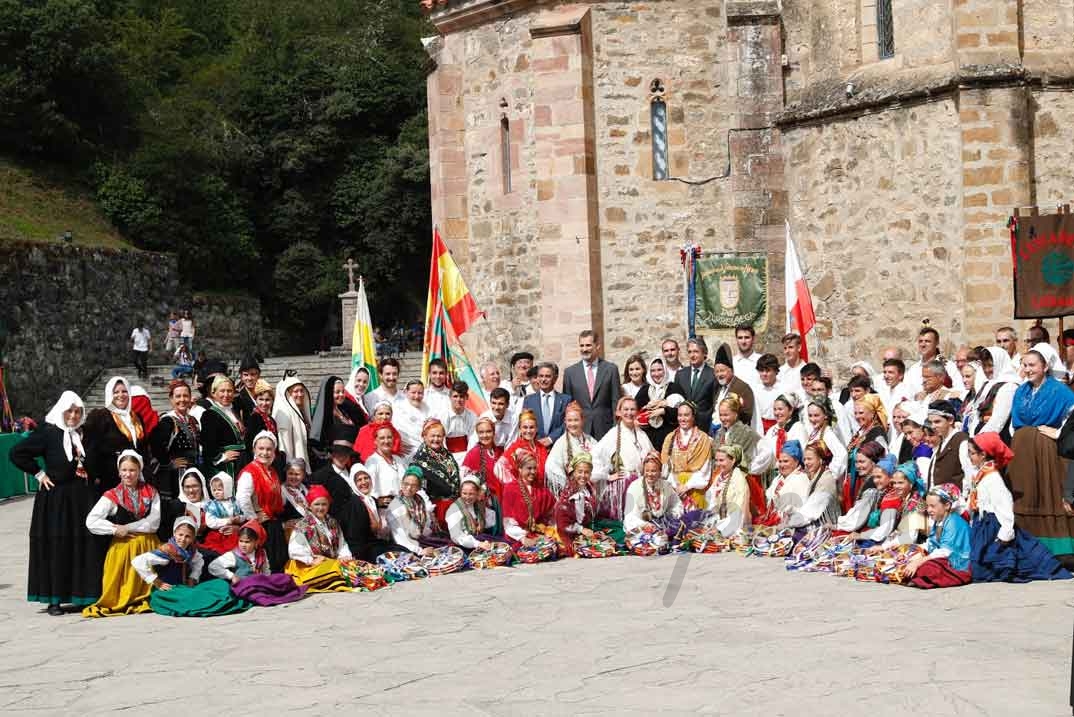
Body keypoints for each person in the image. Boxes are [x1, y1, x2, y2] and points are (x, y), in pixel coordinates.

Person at [10, 391, 102, 615]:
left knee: (82, 546)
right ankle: (55, 599)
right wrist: (39, 474)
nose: (73, 415)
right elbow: (17, 453)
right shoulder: (49, 432)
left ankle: (81, 595)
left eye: (78, 411)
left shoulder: (85, 434)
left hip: (82, 498)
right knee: (58, 545)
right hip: (57, 500)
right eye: (69, 411)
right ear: (61, 411)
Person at [967, 432, 1072, 582]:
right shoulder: (982, 475)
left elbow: (1005, 506)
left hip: (993, 525)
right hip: (983, 524)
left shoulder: (993, 478)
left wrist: (1004, 534)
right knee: (980, 564)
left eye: (972, 453)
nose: (969, 457)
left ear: (983, 454)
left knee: (994, 565)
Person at [82, 451, 161, 617]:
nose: (128, 474)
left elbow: (154, 522)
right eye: (124, 470)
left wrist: (128, 527)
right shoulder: (112, 495)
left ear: (139, 471)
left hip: (148, 544)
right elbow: (91, 521)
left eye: (132, 470)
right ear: (119, 472)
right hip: (124, 550)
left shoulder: (151, 492)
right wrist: (114, 529)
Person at [134, 516, 251, 617]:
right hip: (169, 591)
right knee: (194, 596)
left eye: (187, 536)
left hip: (185, 586)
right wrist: (156, 581)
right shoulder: (168, 551)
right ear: (174, 533)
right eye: (180, 535)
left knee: (221, 584)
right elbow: (138, 561)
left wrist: (193, 578)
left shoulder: (192, 551)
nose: (183, 539)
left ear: (193, 538)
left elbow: (198, 563)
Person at [208, 520, 309, 606]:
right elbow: (213, 566)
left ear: (256, 542)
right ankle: (266, 597)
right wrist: (231, 576)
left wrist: (269, 581)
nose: (243, 545)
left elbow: (266, 570)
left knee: (284, 577)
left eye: (247, 542)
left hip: (261, 583)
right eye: (241, 541)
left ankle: (270, 592)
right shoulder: (233, 555)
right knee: (253, 593)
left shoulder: (261, 553)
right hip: (246, 586)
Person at [592, 396, 654, 522]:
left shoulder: (641, 434)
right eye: (625, 409)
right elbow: (595, 455)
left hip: (641, 483)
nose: (629, 413)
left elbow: (651, 455)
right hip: (624, 485)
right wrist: (607, 476)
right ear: (618, 412)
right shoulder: (613, 434)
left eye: (632, 409)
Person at [285, 485, 356, 593]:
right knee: (337, 569)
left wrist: (345, 556)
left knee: (352, 566)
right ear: (309, 506)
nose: (321, 508)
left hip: (331, 563)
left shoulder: (333, 522)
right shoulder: (303, 526)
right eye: (317, 504)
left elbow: (342, 544)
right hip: (310, 566)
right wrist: (311, 560)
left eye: (324, 504)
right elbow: (295, 550)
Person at [235, 431, 288, 571]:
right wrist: (253, 518)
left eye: (269, 449)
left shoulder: (272, 471)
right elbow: (242, 498)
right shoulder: (249, 472)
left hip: (272, 523)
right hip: (261, 526)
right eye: (261, 448)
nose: (265, 452)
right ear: (254, 450)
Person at [84, 377, 145, 495]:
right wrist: (95, 476)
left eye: (124, 391)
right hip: (109, 478)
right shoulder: (99, 416)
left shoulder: (136, 417)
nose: (120, 395)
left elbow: (142, 446)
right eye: (116, 392)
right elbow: (90, 449)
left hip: (134, 476)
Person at [904, 483, 973, 589]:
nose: (929, 510)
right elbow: (932, 543)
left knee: (929, 568)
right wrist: (914, 549)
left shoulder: (954, 522)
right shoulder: (939, 521)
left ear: (947, 505)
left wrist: (918, 562)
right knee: (907, 556)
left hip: (957, 564)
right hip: (942, 557)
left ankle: (921, 577)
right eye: (927, 506)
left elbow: (945, 551)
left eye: (932, 506)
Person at [561, 330, 620, 439]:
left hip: (605, 429)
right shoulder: (570, 373)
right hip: (580, 429)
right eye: (582, 345)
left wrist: (616, 428)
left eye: (588, 345)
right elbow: (568, 406)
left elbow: (615, 402)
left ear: (597, 346)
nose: (584, 349)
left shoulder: (611, 369)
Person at [146, 380, 199, 500]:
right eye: (178, 396)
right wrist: (168, 463)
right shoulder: (167, 421)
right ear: (171, 399)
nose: (182, 399)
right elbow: (155, 445)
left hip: (192, 469)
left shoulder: (192, 420)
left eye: (185, 396)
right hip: (175, 474)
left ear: (190, 398)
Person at [499, 448, 558, 556]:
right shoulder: (510, 489)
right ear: (520, 469)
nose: (533, 472)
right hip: (517, 536)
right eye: (529, 468)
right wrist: (523, 538)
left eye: (535, 468)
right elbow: (508, 523)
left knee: (554, 547)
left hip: (537, 532)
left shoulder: (541, 489)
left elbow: (553, 513)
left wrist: (550, 531)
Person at [408, 418, 462, 526]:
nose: (436, 439)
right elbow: (418, 490)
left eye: (439, 436)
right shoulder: (419, 459)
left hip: (454, 503)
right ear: (424, 436)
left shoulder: (446, 454)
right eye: (432, 436)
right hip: (436, 508)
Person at [660, 403, 714, 510]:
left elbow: (705, 469)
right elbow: (667, 468)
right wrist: (677, 486)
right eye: (680, 415)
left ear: (693, 417)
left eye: (686, 415)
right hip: (674, 488)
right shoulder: (670, 438)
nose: (682, 419)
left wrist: (687, 486)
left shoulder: (703, 439)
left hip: (695, 489)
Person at [555, 453, 609, 556]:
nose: (583, 476)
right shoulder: (569, 494)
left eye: (587, 472)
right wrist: (581, 529)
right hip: (571, 535)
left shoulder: (588, 487)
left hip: (587, 527)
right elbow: (562, 523)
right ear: (574, 472)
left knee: (618, 529)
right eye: (580, 472)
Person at [842, 395, 888, 510]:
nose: (857, 416)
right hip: (855, 479)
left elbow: (883, 460)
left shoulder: (877, 433)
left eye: (861, 413)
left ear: (872, 414)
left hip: (868, 483)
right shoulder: (861, 432)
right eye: (856, 413)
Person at [623, 451, 685, 538]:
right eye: (647, 471)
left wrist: (671, 516)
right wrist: (646, 525)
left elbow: (677, 504)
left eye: (653, 471)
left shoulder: (666, 485)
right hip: (642, 528)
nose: (649, 474)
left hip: (663, 525)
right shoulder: (633, 487)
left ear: (660, 471)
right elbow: (630, 517)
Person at [783, 441, 841, 530]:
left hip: (826, 528)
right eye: (805, 459)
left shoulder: (826, 481)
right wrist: (790, 511)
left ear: (820, 460)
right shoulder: (818, 476)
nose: (806, 462)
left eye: (809, 459)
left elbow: (809, 513)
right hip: (816, 524)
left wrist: (787, 524)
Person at [199, 375, 247, 480]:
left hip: (241, 462)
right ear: (214, 393)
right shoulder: (210, 414)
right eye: (222, 391)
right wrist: (221, 457)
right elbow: (207, 443)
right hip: (226, 466)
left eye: (229, 391)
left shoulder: (234, 411)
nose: (226, 394)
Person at [310, 375, 365, 464]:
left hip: (351, 457)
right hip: (336, 461)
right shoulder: (324, 417)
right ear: (328, 394)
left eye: (343, 392)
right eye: (337, 392)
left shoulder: (345, 410)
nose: (341, 395)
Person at [545, 401, 596, 497]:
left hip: (590, 489)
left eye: (576, 420)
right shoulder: (561, 443)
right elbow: (551, 466)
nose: (573, 424)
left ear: (582, 420)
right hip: (571, 494)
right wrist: (568, 485)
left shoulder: (590, 441)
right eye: (570, 420)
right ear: (565, 421)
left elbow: (599, 462)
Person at [834, 441, 886, 533]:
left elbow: (857, 518)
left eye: (862, 462)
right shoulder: (870, 479)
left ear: (873, 462)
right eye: (856, 462)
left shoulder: (873, 485)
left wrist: (837, 525)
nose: (858, 466)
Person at [967, 346, 1019, 436]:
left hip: (997, 437)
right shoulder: (987, 385)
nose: (987, 370)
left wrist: (979, 442)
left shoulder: (1009, 387)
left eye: (990, 365)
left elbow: (998, 421)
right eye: (984, 366)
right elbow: (976, 415)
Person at [634, 357, 685, 451]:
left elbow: (683, 412)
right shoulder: (645, 389)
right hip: (648, 437)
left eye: (659, 370)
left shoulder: (674, 388)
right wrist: (646, 408)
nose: (656, 374)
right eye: (653, 371)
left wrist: (664, 411)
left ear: (665, 370)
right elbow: (635, 409)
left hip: (669, 436)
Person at [755, 440, 810, 526]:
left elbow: (803, 511)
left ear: (796, 462)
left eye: (786, 461)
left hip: (791, 526)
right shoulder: (778, 478)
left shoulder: (801, 479)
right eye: (780, 461)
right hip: (774, 522)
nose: (782, 465)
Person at [387, 468, 440, 555]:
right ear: (401, 483)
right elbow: (399, 538)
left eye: (413, 485)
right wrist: (420, 551)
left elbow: (424, 527)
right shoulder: (395, 507)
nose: (409, 488)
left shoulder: (419, 501)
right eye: (406, 484)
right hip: (407, 547)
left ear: (419, 487)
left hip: (420, 540)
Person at [705, 445, 750, 538]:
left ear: (733, 460)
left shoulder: (738, 479)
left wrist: (719, 528)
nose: (718, 464)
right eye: (716, 460)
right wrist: (710, 523)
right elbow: (712, 504)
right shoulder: (719, 477)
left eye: (721, 460)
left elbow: (738, 512)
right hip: (720, 521)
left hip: (734, 526)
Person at [497, 409, 550, 488]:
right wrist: (514, 485)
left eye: (531, 427)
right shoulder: (516, 447)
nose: (528, 431)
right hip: (524, 492)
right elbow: (499, 467)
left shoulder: (541, 447)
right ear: (520, 429)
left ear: (536, 428)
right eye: (525, 427)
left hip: (541, 491)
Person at [522, 362, 571, 447]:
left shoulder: (565, 400)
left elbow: (567, 423)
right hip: (535, 447)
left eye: (547, 376)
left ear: (555, 378)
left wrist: (551, 438)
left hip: (558, 447)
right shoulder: (529, 400)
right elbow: (525, 424)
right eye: (541, 376)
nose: (543, 379)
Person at [445, 475, 499, 550]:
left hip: (480, 539)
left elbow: (490, 522)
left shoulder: (478, 505)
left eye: (471, 494)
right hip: (464, 545)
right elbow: (456, 536)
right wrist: (477, 544)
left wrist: (483, 503)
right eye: (464, 493)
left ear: (477, 493)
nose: (467, 497)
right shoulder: (454, 510)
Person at [905, 322, 960, 395]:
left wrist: (943, 393)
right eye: (920, 341)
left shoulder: (948, 366)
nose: (923, 344)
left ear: (937, 343)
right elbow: (906, 394)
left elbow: (959, 390)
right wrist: (916, 396)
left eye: (927, 341)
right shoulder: (913, 370)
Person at [674, 338, 717, 433]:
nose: (692, 355)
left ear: (704, 353)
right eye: (690, 352)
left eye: (696, 352)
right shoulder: (680, 375)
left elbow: (714, 402)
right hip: (684, 427)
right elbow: (676, 399)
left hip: (704, 426)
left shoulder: (713, 375)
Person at [712, 343, 756, 430]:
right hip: (715, 430)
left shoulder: (743, 388)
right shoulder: (718, 387)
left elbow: (747, 415)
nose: (719, 374)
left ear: (731, 370)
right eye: (717, 371)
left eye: (722, 371)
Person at [802, 397, 849, 479]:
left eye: (816, 415)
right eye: (810, 415)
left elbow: (842, 454)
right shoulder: (815, 432)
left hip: (823, 480)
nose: (812, 419)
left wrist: (830, 474)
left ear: (825, 415)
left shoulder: (828, 433)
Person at [273, 375, 313, 473]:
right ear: (288, 394)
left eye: (301, 390)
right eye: (295, 391)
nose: (300, 394)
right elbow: (285, 448)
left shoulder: (301, 412)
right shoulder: (284, 415)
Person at [202, 472, 244, 556]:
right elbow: (210, 522)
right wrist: (227, 521)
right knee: (220, 551)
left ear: (227, 489)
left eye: (219, 490)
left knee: (237, 550)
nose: (216, 492)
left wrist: (239, 518)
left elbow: (243, 514)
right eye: (214, 490)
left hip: (233, 534)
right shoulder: (212, 505)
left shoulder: (235, 502)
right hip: (218, 534)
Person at [365, 423, 409, 504]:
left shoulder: (398, 459)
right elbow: (370, 492)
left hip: (404, 506)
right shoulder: (372, 461)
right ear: (375, 441)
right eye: (382, 438)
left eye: (389, 437)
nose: (386, 441)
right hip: (386, 510)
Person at [461, 416, 504, 497]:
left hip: (501, 497)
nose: (485, 435)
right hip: (485, 501)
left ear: (494, 432)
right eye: (481, 432)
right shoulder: (473, 453)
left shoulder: (499, 452)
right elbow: (466, 482)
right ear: (477, 434)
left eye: (488, 431)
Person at [394, 380, 431, 460]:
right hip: (406, 454)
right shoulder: (397, 409)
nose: (417, 396)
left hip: (426, 453)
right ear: (406, 392)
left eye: (420, 393)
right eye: (413, 393)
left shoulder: (427, 408)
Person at [243, 379, 278, 458]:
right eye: (261, 399)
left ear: (272, 401)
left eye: (267, 400)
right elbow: (250, 445)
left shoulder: (271, 420)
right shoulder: (254, 418)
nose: (264, 403)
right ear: (256, 400)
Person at [443, 382, 477, 463]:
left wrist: (469, 457)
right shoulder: (443, 416)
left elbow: (473, 438)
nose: (458, 400)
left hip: (467, 455)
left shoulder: (472, 416)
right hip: (447, 456)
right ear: (450, 397)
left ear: (466, 397)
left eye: (461, 396)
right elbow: (441, 440)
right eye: (455, 396)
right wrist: (447, 458)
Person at [751, 353, 785, 434]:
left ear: (776, 371)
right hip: (759, 427)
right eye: (761, 371)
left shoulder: (784, 389)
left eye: (768, 370)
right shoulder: (754, 389)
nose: (764, 374)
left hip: (780, 427)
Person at [280, 458, 311, 530]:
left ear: (303, 475)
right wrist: (283, 524)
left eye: (297, 474)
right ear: (286, 473)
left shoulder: (306, 489)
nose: (293, 477)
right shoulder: (281, 491)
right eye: (290, 473)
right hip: (290, 533)